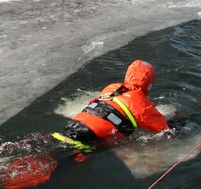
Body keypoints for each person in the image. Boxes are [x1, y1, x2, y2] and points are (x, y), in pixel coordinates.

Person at [52, 60, 181, 152]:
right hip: (89, 139)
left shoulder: (113, 87)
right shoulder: (143, 106)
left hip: (71, 127)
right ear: (149, 84)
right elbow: (166, 131)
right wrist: (181, 120)